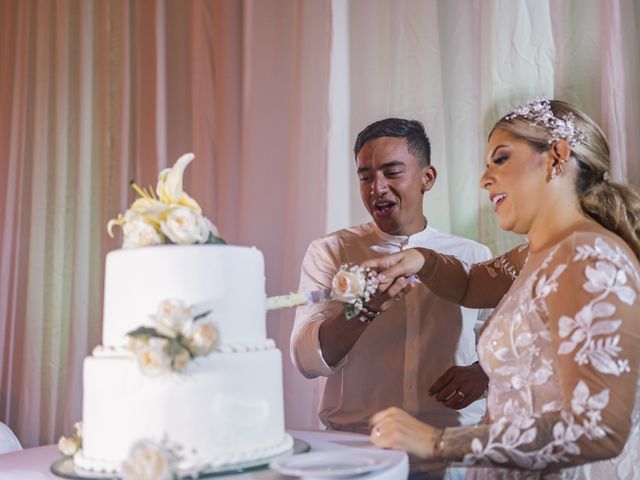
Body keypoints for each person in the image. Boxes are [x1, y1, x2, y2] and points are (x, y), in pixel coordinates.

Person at [365, 99, 640, 478]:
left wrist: (437, 443)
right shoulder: (541, 253)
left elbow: (600, 427)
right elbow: (469, 284)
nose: (484, 178)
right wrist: (422, 260)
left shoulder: (589, 258)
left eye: (501, 158)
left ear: (557, 157)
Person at [290, 118, 492, 473]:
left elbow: (504, 350)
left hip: (448, 457)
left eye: (391, 173)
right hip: (356, 456)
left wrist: (483, 373)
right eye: (366, 176)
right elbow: (307, 360)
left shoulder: (473, 257)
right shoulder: (330, 252)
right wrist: (363, 310)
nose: (376, 188)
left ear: (427, 178)